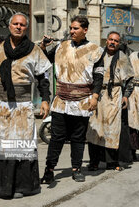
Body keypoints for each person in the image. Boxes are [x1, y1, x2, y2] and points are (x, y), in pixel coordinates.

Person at [0, 12, 51, 202]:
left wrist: (45, 99)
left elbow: (42, 78)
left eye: (22, 24)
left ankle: (17, 185)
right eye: (15, 23)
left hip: (21, 105)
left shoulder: (34, 50)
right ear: (9, 25)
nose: (19, 27)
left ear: (26, 28)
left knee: (17, 147)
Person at [40, 15, 104, 183]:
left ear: (85, 30)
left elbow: (99, 76)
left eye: (76, 28)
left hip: (82, 100)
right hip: (61, 100)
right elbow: (44, 60)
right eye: (71, 28)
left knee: (77, 138)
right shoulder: (61, 46)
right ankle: (49, 170)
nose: (72, 31)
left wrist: (95, 96)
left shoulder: (95, 50)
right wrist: (43, 46)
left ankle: (76, 169)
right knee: (57, 138)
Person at [86, 31, 134, 171]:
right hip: (97, 94)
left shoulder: (123, 58)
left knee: (112, 129)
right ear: (106, 41)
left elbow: (131, 78)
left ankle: (112, 162)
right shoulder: (98, 55)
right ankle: (94, 162)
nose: (113, 42)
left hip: (114, 94)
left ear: (119, 43)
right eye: (110, 40)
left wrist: (126, 95)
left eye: (116, 41)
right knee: (94, 128)